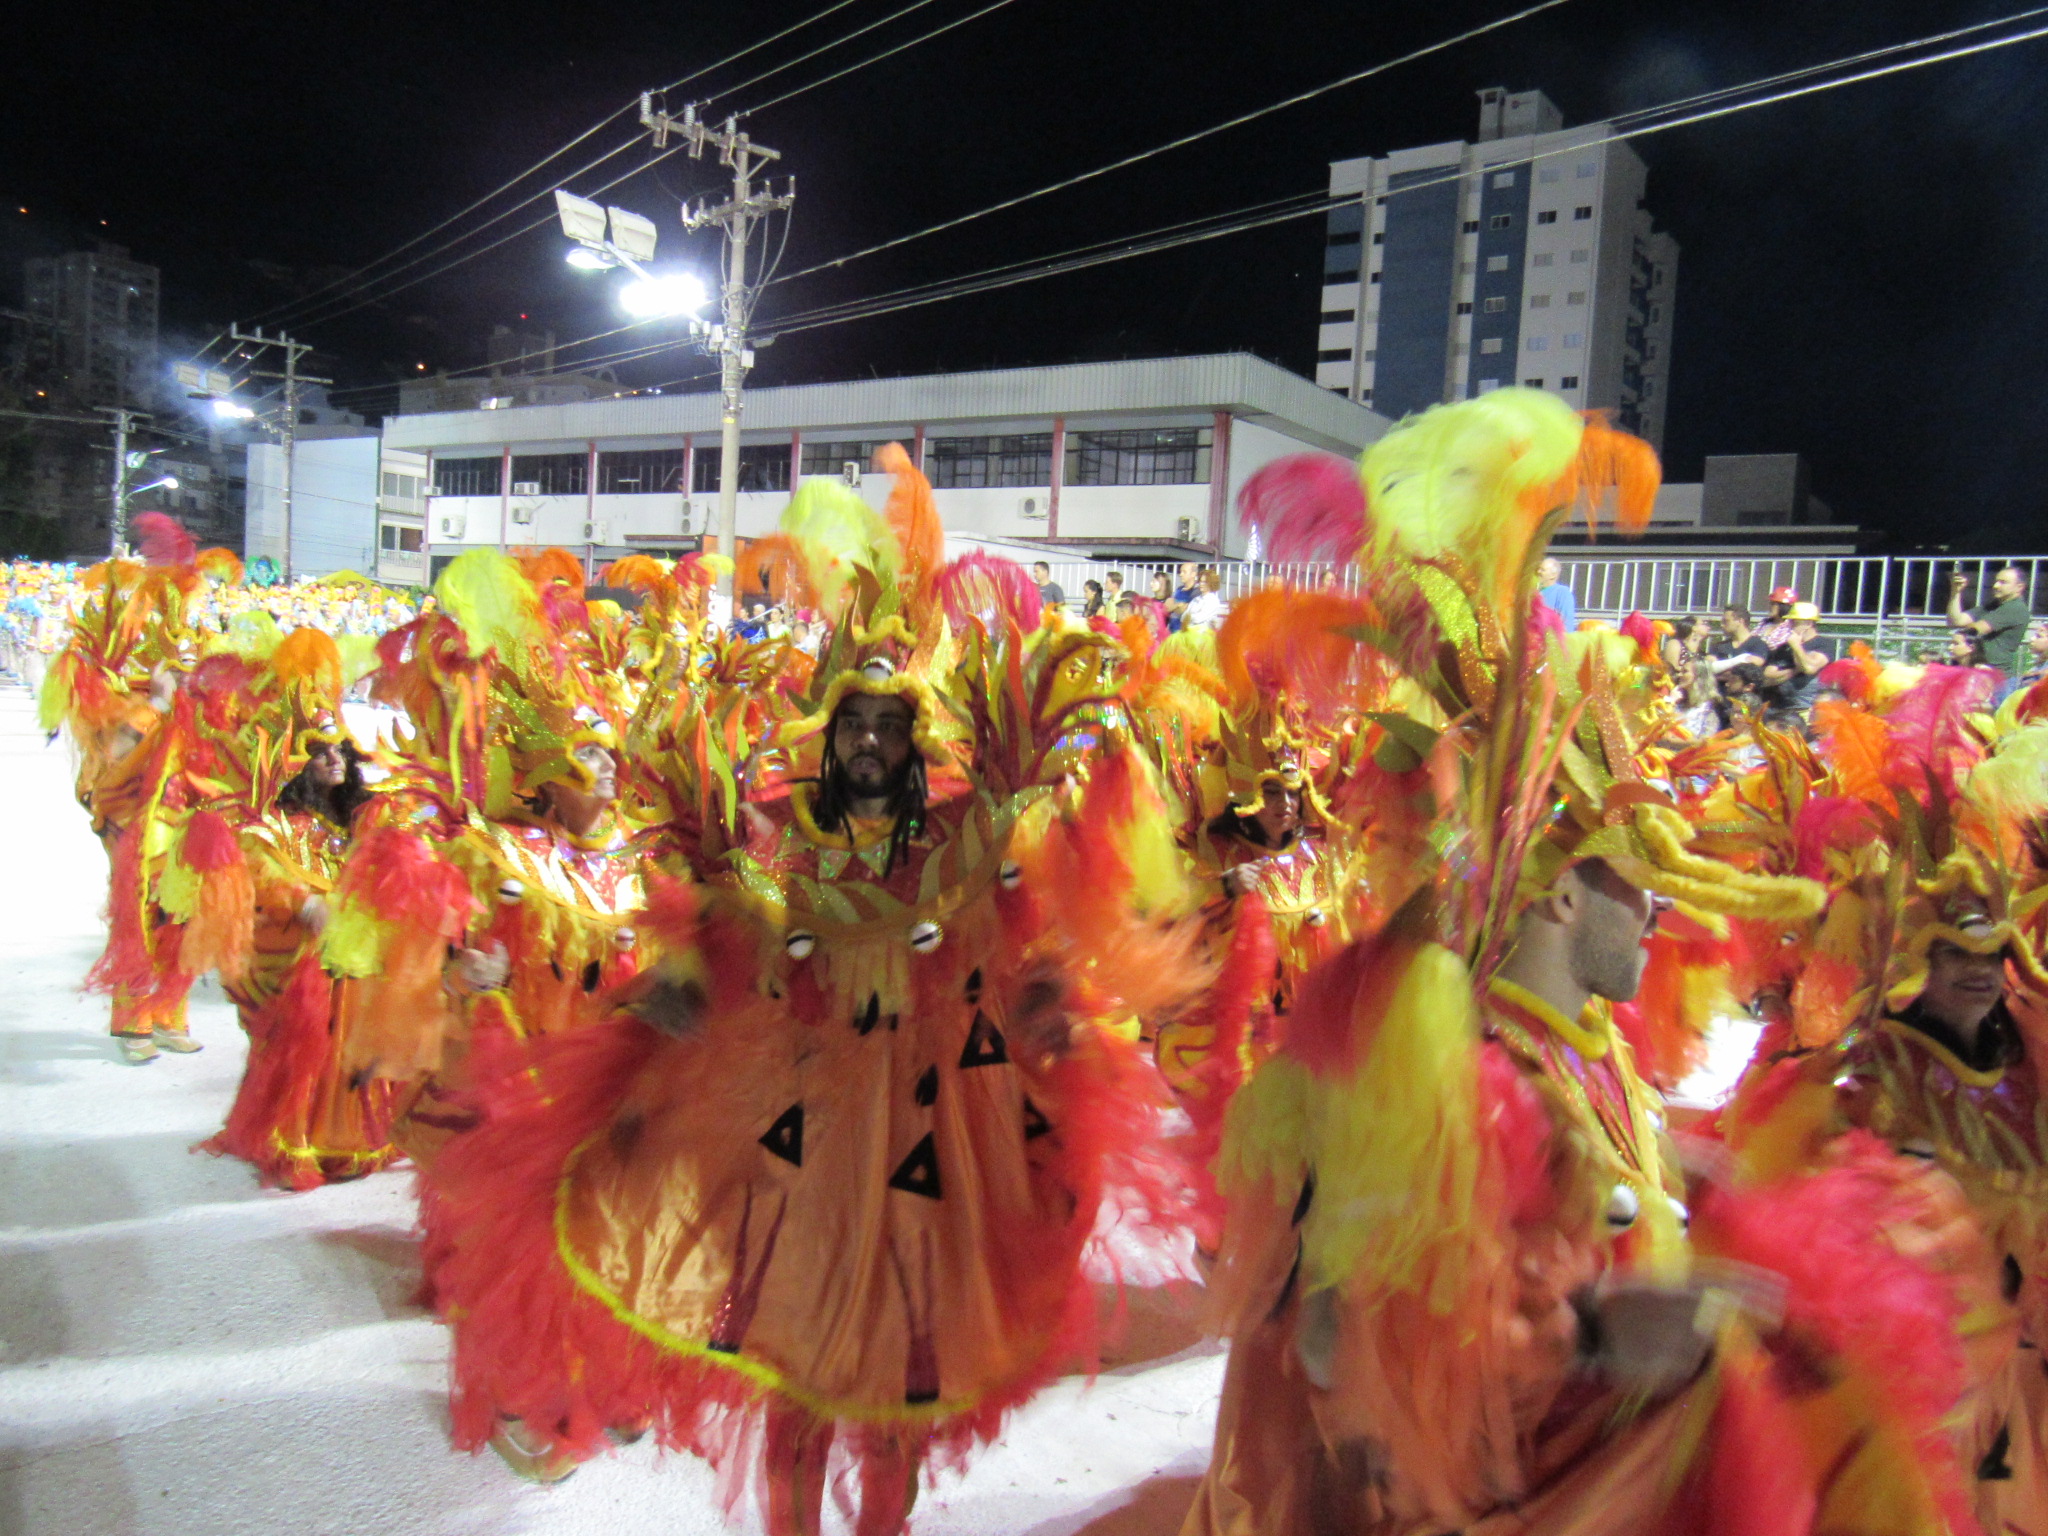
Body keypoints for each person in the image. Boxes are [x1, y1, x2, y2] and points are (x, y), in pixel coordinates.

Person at [415, 450, 1203, 1529]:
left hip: (937, 1149)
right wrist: (682, 986)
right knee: (793, 1368)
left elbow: (1024, 949)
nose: (871, 741)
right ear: (827, 735)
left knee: (903, 1387)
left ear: (916, 738)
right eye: (853, 724)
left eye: (889, 724)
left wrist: (1050, 1004)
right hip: (802, 1138)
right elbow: (733, 943)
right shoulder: (778, 838)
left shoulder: (969, 838)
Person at [1947, 565, 2033, 679]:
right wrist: (1956, 591)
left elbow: (1976, 630)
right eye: (1996, 581)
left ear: (2019, 587)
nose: (1995, 586)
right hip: (1980, 673)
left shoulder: (2015, 608)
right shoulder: (1993, 605)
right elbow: (1956, 621)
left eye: (2003, 582)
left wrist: (1960, 635)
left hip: (1996, 677)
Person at [1759, 600, 1836, 721]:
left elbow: (1809, 668)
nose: (1790, 626)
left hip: (1807, 709)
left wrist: (1796, 646)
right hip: (1781, 709)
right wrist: (1795, 670)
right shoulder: (1784, 648)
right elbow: (1767, 676)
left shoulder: (1823, 644)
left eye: (1795, 622)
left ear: (1808, 623)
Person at [1709, 603, 1770, 673]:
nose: (1722, 625)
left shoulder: (1758, 644)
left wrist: (1721, 666)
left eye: (1726, 621)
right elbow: (1710, 667)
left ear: (1740, 621)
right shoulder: (1718, 646)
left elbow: (1755, 663)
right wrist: (1742, 659)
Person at [1534, 554, 1576, 631]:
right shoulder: (1534, 593)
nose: (1538, 572)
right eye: (1538, 569)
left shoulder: (1562, 592)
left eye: (1542, 570)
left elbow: (1567, 623)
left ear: (1553, 575)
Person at [1166, 561, 1200, 632]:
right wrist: (1178, 605)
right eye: (1180, 572)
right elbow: (1166, 607)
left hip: (1186, 632)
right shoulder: (1179, 589)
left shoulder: (1197, 591)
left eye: (1184, 572)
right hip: (1172, 631)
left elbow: (1185, 611)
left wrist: (1173, 607)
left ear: (1193, 574)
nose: (1181, 574)